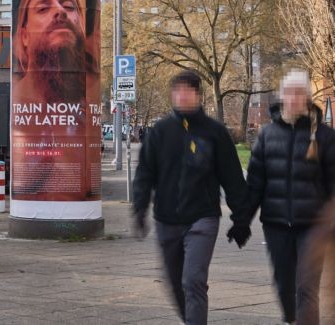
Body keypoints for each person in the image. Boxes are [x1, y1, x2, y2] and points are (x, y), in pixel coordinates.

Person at [132, 70, 251, 325]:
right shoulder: (160, 132)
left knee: (193, 280)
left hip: (203, 218)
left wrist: (241, 220)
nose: (182, 96)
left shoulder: (215, 133)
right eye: (178, 90)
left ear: (198, 95)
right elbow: (144, 174)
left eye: (188, 90)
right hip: (167, 219)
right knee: (176, 283)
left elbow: (233, 179)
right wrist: (139, 209)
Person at [245, 69, 335, 324]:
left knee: (306, 285)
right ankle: (292, 319)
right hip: (276, 224)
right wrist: (242, 221)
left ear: (307, 98)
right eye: (289, 93)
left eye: (299, 93)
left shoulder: (325, 137)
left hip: (313, 225)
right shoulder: (267, 135)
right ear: (282, 97)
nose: (294, 98)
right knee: (284, 284)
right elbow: (255, 183)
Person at [12, 0, 91, 105]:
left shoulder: (89, 102)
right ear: (24, 36)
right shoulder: (18, 101)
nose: (60, 10)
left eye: (69, 6)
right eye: (43, 9)